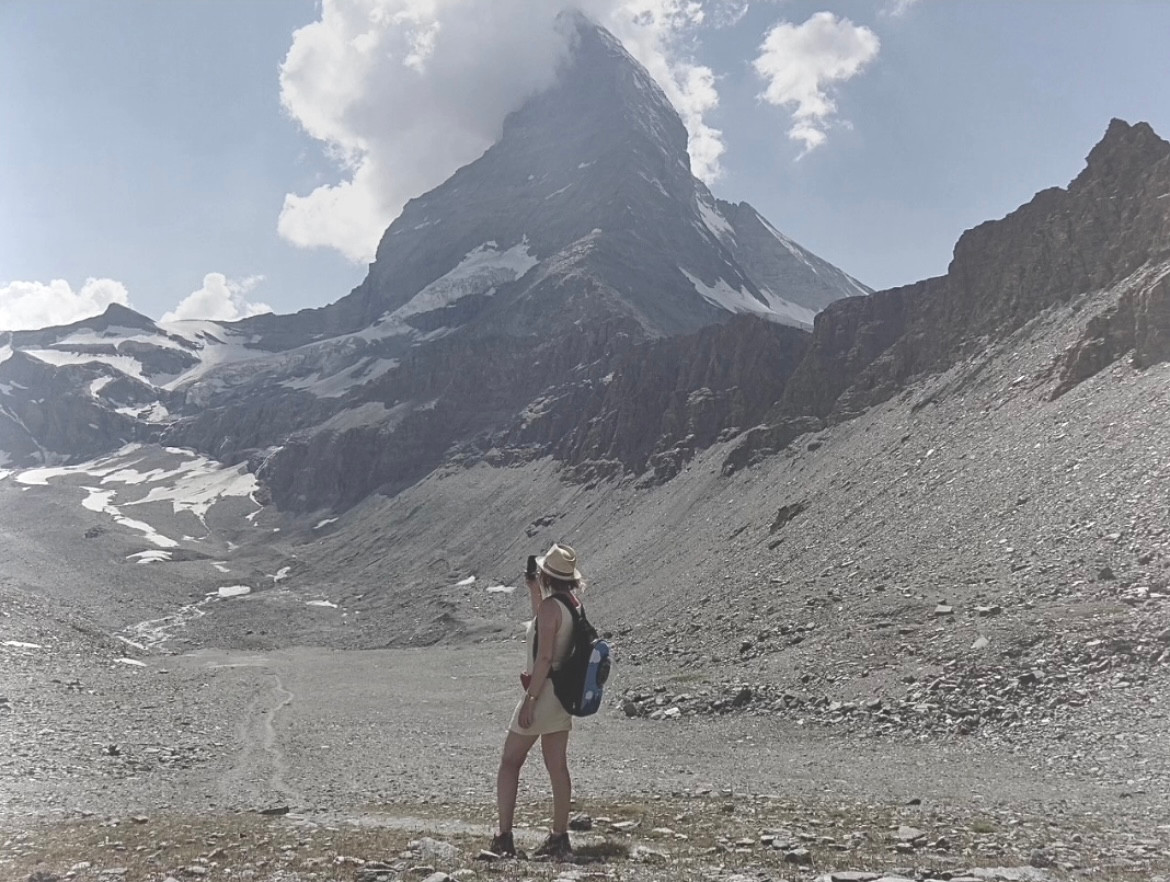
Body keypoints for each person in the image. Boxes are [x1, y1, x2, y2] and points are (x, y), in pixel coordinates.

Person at [490, 542, 585, 861]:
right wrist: (535, 593)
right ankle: (559, 836)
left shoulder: (550, 609)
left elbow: (544, 655)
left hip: (543, 693)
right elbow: (547, 631)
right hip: (563, 696)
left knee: (509, 761)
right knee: (557, 766)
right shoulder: (571, 604)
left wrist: (530, 700)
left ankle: (504, 837)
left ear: (546, 574)